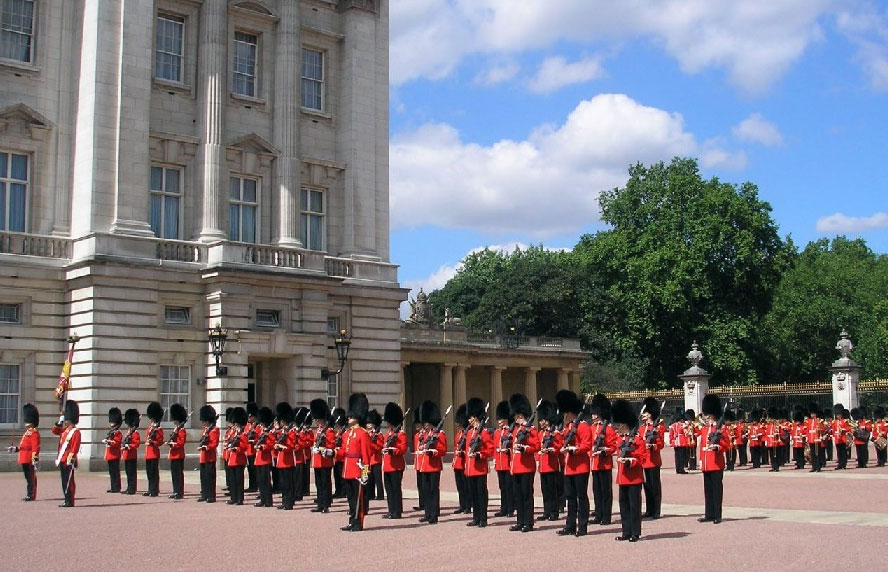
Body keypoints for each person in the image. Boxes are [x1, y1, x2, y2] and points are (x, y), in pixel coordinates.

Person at [555, 390, 591, 537]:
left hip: (581, 467)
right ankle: (570, 525)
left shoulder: (583, 426)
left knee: (581, 497)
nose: (565, 416)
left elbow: (586, 445)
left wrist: (573, 449)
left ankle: (582, 526)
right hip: (569, 468)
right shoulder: (567, 428)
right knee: (570, 496)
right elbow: (560, 445)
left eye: (567, 413)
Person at [612, 399, 648, 542]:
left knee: (634, 506)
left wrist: (630, 461)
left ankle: (635, 532)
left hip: (634, 477)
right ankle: (626, 531)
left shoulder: (638, 440)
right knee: (624, 505)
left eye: (620, 424)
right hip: (622, 477)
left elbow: (642, 458)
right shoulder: (620, 440)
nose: (619, 427)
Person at [341, 393, 371, 532]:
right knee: (350, 498)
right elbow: (343, 452)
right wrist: (331, 452)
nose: (348, 418)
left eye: (351, 416)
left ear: (357, 417)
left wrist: (365, 473)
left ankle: (358, 523)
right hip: (347, 469)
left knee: (358, 499)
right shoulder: (346, 434)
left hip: (357, 470)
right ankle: (352, 520)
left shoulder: (362, 434)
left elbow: (366, 455)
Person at [509, 393, 539, 533]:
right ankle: (520, 521)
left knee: (526, 496)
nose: (517, 419)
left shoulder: (531, 430)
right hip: (516, 467)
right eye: (516, 416)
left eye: (519, 416)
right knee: (517, 496)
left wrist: (525, 447)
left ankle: (528, 522)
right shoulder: (515, 431)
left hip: (526, 467)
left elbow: (536, 446)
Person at [698, 394, 728, 524]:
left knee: (716, 490)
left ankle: (717, 514)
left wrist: (718, 447)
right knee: (708, 490)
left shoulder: (721, 428)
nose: (707, 418)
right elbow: (701, 446)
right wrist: (700, 460)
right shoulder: (704, 429)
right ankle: (709, 513)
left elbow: (727, 445)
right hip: (706, 464)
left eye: (709, 416)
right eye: (706, 416)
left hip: (716, 464)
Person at [416, 400, 447, 525]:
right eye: (425, 422)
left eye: (428, 422)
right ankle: (427, 513)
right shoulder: (424, 435)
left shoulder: (439, 434)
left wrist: (433, 451)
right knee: (425, 490)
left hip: (434, 466)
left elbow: (443, 450)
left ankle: (434, 515)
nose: (426, 425)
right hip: (424, 466)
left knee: (433, 490)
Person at [588, 393, 617, 526]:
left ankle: (606, 516)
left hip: (604, 463)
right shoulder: (591, 428)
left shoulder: (609, 429)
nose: (593, 416)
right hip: (594, 464)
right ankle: (598, 514)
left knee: (606, 491)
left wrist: (604, 450)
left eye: (595, 413)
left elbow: (613, 446)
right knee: (596, 490)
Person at [464, 397, 493, 528]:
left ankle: (483, 518)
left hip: (480, 467)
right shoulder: (470, 432)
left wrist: (480, 454)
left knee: (481, 494)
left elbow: (490, 449)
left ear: (476, 418)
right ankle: (476, 517)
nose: (469, 420)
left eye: (471, 418)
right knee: (473, 494)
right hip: (470, 468)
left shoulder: (484, 432)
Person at [536, 400, 562, 522]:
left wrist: (551, 449)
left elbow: (558, 446)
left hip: (551, 465)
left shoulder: (554, 433)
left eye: (542, 420)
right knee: (545, 490)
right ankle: (547, 511)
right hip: (542, 466)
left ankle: (554, 512)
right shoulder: (540, 433)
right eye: (540, 420)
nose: (541, 422)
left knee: (552, 491)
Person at [52, 400, 81, 508]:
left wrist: (71, 457)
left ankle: (70, 500)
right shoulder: (64, 430)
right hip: (62, 459)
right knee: (64, 481)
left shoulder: (75, 432)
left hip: (68, 459)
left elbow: (75, 447)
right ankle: (66, 498)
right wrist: (59, 422)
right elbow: (55, 431)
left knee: (69, 481)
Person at [8, 403, 40, 501]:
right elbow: (23, 446)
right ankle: (29, 494)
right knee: (28, 478)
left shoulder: (34, 432)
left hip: (29, 458)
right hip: (24, 457)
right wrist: (15, 449)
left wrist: (35, 459)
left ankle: (31, 495)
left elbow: (35, 447)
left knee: (31, 478)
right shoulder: (27, 432)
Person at [381, 402, 407, 519]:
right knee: (389, 489)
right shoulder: (388, 435)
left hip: (396, 466)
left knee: (396, 489)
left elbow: (403, 448)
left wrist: (392, 450)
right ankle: (391, 510)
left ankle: (397, 511)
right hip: (387, 465)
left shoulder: (400, 434)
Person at [639, 397, 664, 519]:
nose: (643, 415)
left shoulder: (657, 427)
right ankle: (649, 510)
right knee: (647, 487)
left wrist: (652, 445)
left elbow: (660, 444)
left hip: (653, 461)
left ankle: (656, 511)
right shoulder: (642, 428)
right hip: (644, 461)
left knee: (655, 487)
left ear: (650, 414)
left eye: (645, 413)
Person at [310, 398, 336, 513]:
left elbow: (331, 445)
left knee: (325, 483)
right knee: (318, 483)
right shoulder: (319, 431)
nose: (317, 422)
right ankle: (320, 503)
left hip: (325, 460)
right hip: (317, 461)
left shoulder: (329, 431)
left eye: (319, 420)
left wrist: (321, 449)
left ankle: (325, 504)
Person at [492, 400, 514, 518]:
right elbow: (495, 447)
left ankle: (510, 508)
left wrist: (508, 451)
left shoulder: (510, 431)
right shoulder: (496, 433)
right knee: (502, 487)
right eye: (499, 419)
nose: (499, 422)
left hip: (508, 463)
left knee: (509, 487)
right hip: (500, 463)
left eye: (501, 419)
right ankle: (503, 508)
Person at [274, 402, 296, 510]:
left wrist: (282, 447)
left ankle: (289, 502)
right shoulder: (282, 431)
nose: (281, 423)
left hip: (288, 460)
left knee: (288, 483)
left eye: (282, 421)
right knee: (283, 483)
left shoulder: (290, 432)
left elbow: (291, 446)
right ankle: (284, 501)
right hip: (281, 460)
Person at [253, 406, 276, 507]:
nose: (261, 424)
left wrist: (263, 447)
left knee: (266, 481)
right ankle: (263, 499)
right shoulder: (261, 431)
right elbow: (255, 439)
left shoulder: (269, 432)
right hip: (258, 459)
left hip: (265, 459)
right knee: (260, 480)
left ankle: (268, 500)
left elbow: (271, 444)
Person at [226, 406, 248, 505]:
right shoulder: (233, 434)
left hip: (239, 459)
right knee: (233, 480)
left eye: (236, 424)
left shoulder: (243, 434)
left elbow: (244, 446)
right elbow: (228, 441)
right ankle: (233, 497)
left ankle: (240, 498)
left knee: (239, 481)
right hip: (232, 459)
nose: (234, 426)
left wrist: (236, 449)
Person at [197, 405, 220, 503]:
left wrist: (207, 447)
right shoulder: (206, 430)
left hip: (210, 457)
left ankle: (211, 495)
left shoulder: (214, 430)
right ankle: (204, 494)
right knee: (203, 477)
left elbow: (214, 443)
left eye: (204, 422)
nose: (203, 423)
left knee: (210, 477)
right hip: (203, 457)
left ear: (208, 421)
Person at [451, 404, 470, 515]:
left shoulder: (467, 435)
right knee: (460, 487)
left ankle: (468, 505)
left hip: (464, 463)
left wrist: (462, 453)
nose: (458, 426)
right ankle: (462, 505)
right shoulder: (458, 435)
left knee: (466, 486)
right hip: (457, 463)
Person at [143, 402, 164, 497]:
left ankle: (154, 490)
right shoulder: (150, 429)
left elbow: (160, 441)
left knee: (154, 472)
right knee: (149, 473)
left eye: (152, 419)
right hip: (148, 453)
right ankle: (150, 489)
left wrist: (153, 442)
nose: (151, 421)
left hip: (154, 453)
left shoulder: (158, 429)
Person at [167, 403, 187, 499]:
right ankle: (175, 491)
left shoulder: (181, 430)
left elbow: (181, 443)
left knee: (178, 474)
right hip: (174, 454)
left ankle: (179, 492)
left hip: (178, 454)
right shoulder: (176, 429)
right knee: (174, 474)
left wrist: (173, 444)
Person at [365, 408, 385, 504]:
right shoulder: (367, 434)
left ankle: (380, 494)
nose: (368, 427)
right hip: (368, 459)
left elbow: (379, 447)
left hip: (376, 459)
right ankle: (371, 494)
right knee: (370, 478)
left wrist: (371, 444)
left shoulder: (378, 435)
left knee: (378, 478)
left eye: (370, 425)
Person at [102, 407, 123, 493]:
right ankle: (113, 486)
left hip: (114, 454)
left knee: (115, 472)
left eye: (112, 421)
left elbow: (117, 442)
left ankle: (117, 487)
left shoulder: (117, 432)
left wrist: (110, 442)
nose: (111, 422)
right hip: (110, 454)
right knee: (111, 472)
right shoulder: (112, 431)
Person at [121, 409, 141, 495]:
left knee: (132, 473)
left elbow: (136, 444)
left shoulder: (135, 433)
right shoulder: (128, 433)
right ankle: (129, 487)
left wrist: (128, 446)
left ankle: (132, 488)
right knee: (128, 473)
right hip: (127, 455)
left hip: (132, 455)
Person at [244, 402, 258, 493]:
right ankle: (251, 485)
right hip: (248, 451)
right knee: (250, 469)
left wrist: (254, 441)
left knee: (254, 469)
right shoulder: (247, 426)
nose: (249, 419)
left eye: (251, 417)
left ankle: (256, 485)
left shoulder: (256, 426)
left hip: (254, 451)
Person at [806, 405, 825, 472]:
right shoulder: (808, 421)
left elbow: (823, 429)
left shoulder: (819, 421)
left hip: (817, 439)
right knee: (813, 454)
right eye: (811, 414)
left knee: (817, 454)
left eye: (813, 413)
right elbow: (807, 430)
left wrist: (819, 429)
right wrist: (807, 438)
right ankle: (814, 467)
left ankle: (818, 467)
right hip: (811, 439)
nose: (812, 415)